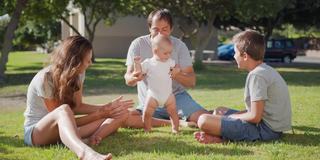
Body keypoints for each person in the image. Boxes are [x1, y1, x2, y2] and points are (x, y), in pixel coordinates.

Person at [23, 36, 134, 160]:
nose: (90, 64)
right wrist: (99, 115)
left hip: (65, 130)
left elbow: (77, 107)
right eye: (88, 60)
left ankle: (92, 139)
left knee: (121, 114)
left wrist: (107, 109)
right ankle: (85, 153)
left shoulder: (78, 74)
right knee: (63, 110)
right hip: (37, 133)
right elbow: (61, 119)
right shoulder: (45, 79)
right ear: (75, 61)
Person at [194, 30, 292, 144]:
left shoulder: (257, 75)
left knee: (203, 120)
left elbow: (255, 117)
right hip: (269, 126)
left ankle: (220, 137)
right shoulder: (264, 70)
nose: (234, 56)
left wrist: (231, 118)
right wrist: (229, 117)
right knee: (219, 111)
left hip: (265, 131)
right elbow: (257, 111)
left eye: (235, 52)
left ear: (245, 56)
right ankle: (219, 136)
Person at [124, 8, 210, 129]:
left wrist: (176, 75)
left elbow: (191, 82)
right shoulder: (138, 44)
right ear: (149, 28)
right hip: (150, 101)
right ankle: (176, 122)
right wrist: (134, 78)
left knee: (204, 119)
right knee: (123, 117)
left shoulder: (179, 46)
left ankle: (176, 116)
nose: (160, 33)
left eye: (164, 29)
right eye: (155, 29)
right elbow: (128, 79)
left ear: (171, 29)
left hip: (176, 99)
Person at [133, 34, 179, 133]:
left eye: (170, 53)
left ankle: (175, 129)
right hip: (153, 95)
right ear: (155, 51)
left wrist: (176, 70)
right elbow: (139, 72)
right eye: (165, 53)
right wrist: (137, 64)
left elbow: (177, 67)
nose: (168, 55)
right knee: (147, 113)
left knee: (173, 113)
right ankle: (147, 129)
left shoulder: (170, 61)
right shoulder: (148, 63)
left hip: (168, 95)